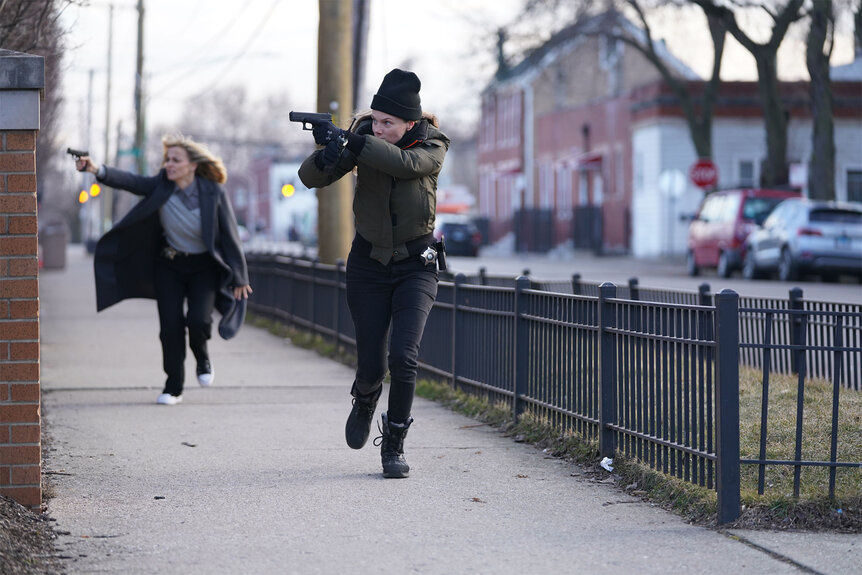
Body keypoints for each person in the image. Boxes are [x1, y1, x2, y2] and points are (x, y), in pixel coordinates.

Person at [298, 69, 450, 478]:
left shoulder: (432, 144)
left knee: (403, 356)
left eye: (389, 123)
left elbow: (404, 165)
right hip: (368, 265)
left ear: (409, 123)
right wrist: (328, 153)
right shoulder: (363, 138)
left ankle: (395, 444)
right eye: (377, 120)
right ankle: (365, 400)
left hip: (417, 265)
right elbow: (310, 178)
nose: (380, 128)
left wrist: (356, 141)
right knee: (371, 365)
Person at [73, 134, 252, 405]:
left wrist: (240, 276)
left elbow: (229, 236)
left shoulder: (213, 191)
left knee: (198, 321)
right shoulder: (161, 185)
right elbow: (132, 182)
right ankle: (173, 387)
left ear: (193, 165)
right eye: (167, 159)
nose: (169, 164)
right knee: (170, 327)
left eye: (176, 160)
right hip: (168, 265)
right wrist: (97, 169)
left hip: (203, 268)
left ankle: (202, 356)